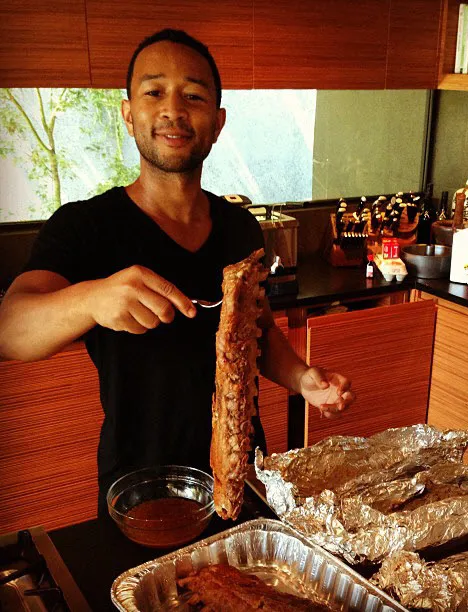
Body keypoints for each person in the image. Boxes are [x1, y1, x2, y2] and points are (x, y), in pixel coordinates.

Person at [0, 29, 354, 515]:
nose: (173, 109)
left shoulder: (239, 226)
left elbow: (259, 332)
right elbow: (10, 330)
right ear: (129, 114)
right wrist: (92, 299)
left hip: (242, 480)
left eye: (193, 96)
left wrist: (301, 378)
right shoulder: (84, 226)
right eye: (154, 92)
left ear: (218, 122)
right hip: (141, 494)